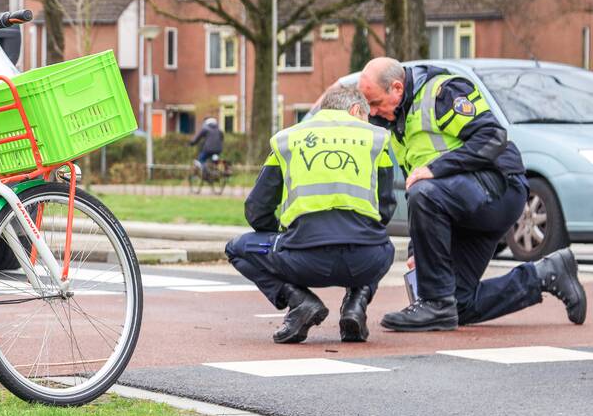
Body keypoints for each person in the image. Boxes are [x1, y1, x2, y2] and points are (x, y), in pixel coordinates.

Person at [356, 57, 586, 331]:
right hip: (461, 202)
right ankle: (546, 274)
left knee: (425, 193)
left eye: (376, 103)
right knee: (459, 304)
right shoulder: (397, 124)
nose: (373, 112)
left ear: (396, 88)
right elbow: (415, 186)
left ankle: (435, 303)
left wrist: (436, 168)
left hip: (498, 188)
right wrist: (420, 249)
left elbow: (492, 137)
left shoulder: (443, 92)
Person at [225, 86, 396, 343]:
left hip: (302, 259)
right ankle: (355, 304)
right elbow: (384, 211)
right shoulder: (376, 139)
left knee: (237, 248)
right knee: (384, 245)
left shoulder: (287, 139)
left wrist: (286, 234)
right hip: (366, 259)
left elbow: (256, 210)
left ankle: (300, 301)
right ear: (356, 110)